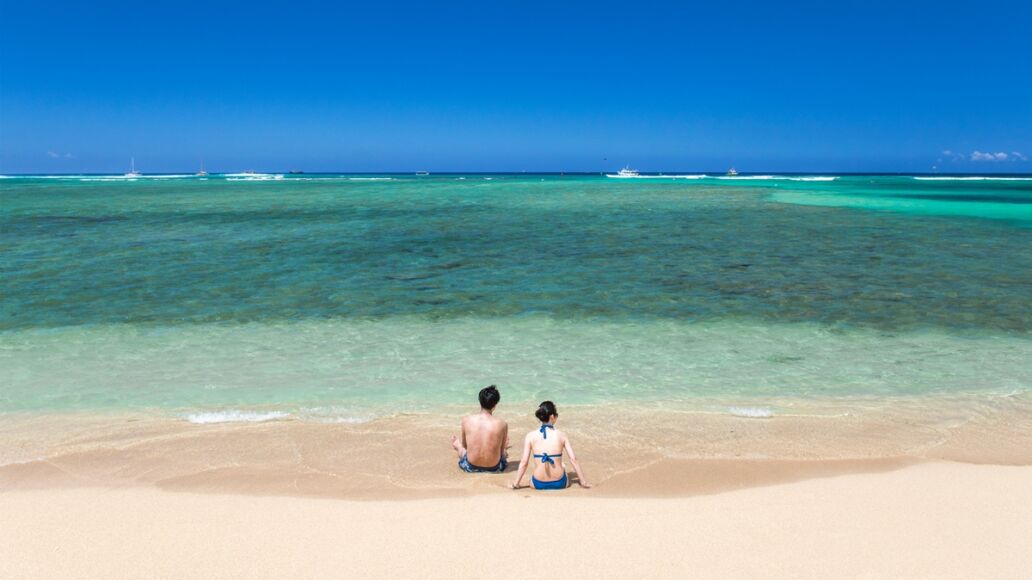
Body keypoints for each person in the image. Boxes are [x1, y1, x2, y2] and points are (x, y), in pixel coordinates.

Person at [510, 401, 591, 490]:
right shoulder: (562, 435)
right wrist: (583, 482)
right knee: (563, 465)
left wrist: (516, 483)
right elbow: (573, 459)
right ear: (552, 416)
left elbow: (524, 462)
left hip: (538, 484)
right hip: (560, 483)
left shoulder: (530, 436)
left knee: (536, 468)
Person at [450, 385, 509, 473]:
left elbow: (466, 446)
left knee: (463, 450)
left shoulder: (466, 420)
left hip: (470, 467)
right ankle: (504, 446)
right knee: (505, 453)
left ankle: (458, 446)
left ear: (480, 401)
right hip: (494, 468)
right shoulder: (502, 424)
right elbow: (500, 454)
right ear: (495, 405)